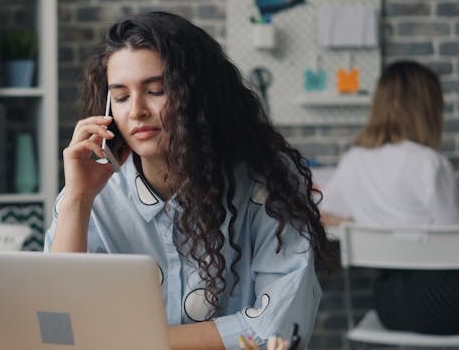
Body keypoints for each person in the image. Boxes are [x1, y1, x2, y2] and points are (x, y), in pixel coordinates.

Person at [44, 11, 336, 350]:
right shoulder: (95, 189)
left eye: (155, 90)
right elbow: (56, 325)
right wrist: (77, 201)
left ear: (197, 95)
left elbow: (276, 328)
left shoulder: (267, 180)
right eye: (121, 97)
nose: (136, 110)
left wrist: (132, 342)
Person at [320, 60, 459, 334]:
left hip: (390, 308)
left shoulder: (354, 160)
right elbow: (452, 240)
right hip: (445, 304)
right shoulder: (430, 163)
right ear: (427, 108)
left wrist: (356, 221)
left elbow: (324, 214)